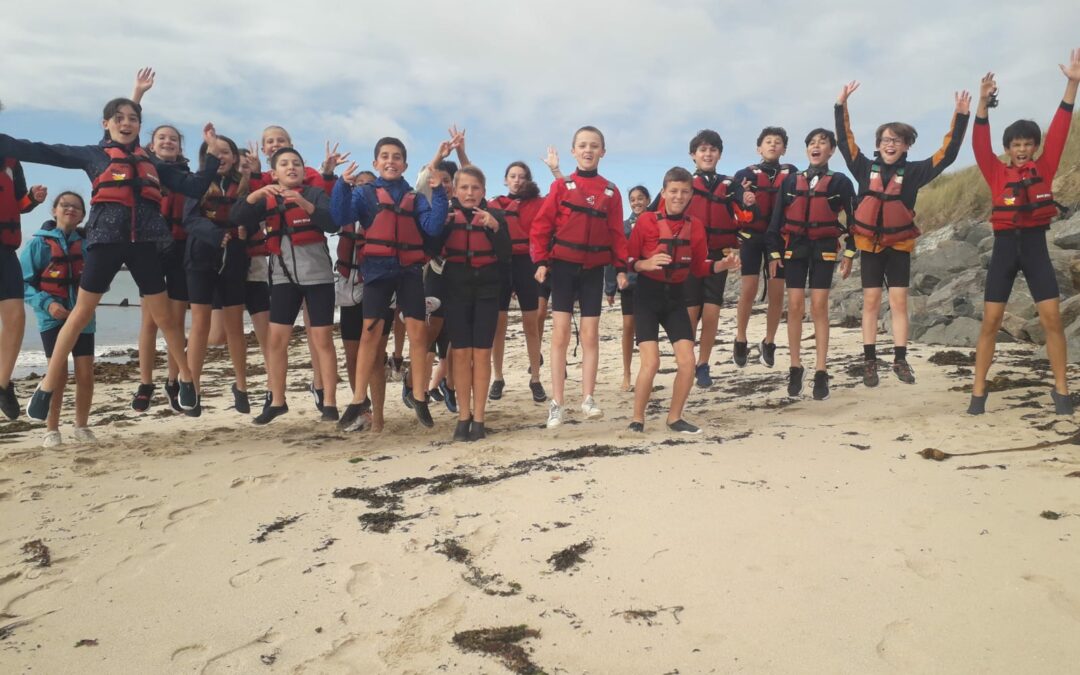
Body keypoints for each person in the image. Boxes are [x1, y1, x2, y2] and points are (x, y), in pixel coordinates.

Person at [0, 97, 224, 421]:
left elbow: (195, 185)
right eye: (119, 117)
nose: (127, 122)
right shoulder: (93, 155)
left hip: (144, 245)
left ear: (139, 126)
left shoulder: (153, 164)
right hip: (105, 243)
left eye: (133, 118)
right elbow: (42, 150)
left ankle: (186, 378)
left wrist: (213, 156)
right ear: (106, 124)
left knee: (166, 318)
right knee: (80, 313)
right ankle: (47, 385)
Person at [836, 81, 970, 387]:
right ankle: (869, 361)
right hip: (869, 245)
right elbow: (845, 141)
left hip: (899, 246)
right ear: (878, 144)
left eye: (897, 140)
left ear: (907, 145)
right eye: (885, 140)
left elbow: (946, 155)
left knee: (898, 303)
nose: (890, 144)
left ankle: (900, 359)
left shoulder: (914, 173)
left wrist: (960, 118)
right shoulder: (862, 167)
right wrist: (840, 106)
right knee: (870, 302)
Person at [968, 50, 1080, 415]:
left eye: (1028, 144)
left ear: (1035, 148)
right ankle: (978, 393)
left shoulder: (1044, 168)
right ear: (1008, 149)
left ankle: (1062, 392)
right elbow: (979, 144)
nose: (1022, 150)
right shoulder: (995, 171)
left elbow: (1061, 129)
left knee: (1051, 320)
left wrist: (1072, 83)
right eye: (1016, 145)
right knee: (991, 322)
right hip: (1003, 249)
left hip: (1034, 249)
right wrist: (982, 103)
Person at [332, 137, 450, 432]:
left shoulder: (414, 196)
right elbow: (340, 217)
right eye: (385, 156)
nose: (391, 161)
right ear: (376, 163)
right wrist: (341, 187)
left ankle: (419, 396)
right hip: (377, 273)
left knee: (418, 334)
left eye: (396, 157)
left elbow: (433, 226)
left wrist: (438, 194)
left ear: (405, 164)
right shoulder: (364, 194)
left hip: (409, 272)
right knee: (369, 335)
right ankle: (359, 399)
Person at [230, 147, 339, 425]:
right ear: (274, 172)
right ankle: (277, 401)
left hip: (318, 278)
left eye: (297, 164)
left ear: (304, 170)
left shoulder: (314, 194)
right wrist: (255, 193)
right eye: (284, 164)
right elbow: (239, 217)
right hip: (282, 279)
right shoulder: (267, 198)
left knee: (322, 340)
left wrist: (303, 203)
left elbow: (331, 222)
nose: (291, 168)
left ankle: (329, 402)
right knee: (276, 341)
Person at [627, 167, 740, 433]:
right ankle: (637, 419)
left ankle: (674, 418)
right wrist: (646, 263)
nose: (679, 196)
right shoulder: (646, 222)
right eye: (673, 191)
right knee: (651, 362)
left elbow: (700, 267)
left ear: (691, 195)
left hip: (676, 299)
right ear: (663, 192)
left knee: (688, 362)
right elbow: (628, 261)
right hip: (646, 298)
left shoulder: (695, 226)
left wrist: (723, 264)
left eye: (684, 192)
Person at [531, 126, 629, 428]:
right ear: (574, 151)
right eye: (583, 145)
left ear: (603, 151)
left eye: (594, 146)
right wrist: (541, 261)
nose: (588, 150)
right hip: (562, 268)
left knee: (590, 335)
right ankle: (557, 403)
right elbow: (541, 226)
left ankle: (588, 398)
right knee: (559, 334)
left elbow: (616, 233)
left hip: (593, 271)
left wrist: (622, 268)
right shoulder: (562, 187)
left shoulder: (611, 191)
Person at [766, 129, 856, 400]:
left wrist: (850, 251)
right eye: (812, 143)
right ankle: (795, 366)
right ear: (807, 150)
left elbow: (854, 219)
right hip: (795, 247)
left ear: (831, 151)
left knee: (818, 307)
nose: (816, 146)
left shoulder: (840, 182)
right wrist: (773, 253)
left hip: (824, 248)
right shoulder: (791, 182)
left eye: (823, 143)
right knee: (793, 306)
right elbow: (776, 219)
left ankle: (820, 370)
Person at [182, 135, 253, 416]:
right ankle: (193, 387)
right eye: (215, 152)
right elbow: (189, 219)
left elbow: (253, 218)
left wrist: (247, 231)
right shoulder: (196, 185)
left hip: (234, 260)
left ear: (235, 157)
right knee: (200, 324)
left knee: (235, 326)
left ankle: (242, 386)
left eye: (227, 152)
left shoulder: (244, 185)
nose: (221, 156)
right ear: (206, 157)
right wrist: (215, 235)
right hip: (200, 259)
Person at [19, 192, 96, 446]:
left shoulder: (88, 244)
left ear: (83, 215)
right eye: (65, 205)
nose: (70, 210)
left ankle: (81, 426)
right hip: (51, 318)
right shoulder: (38, 244)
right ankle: (51, 430)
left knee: (85, 374)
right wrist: (47, 304)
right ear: (54, 210)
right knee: (58, 373)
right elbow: (23, 284)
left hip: (82, 316)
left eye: (76, 207)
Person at [440, 166, 510, 440]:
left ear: (483, 191)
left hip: (487, 289)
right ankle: (463, 416)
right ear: (455, 191)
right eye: (464, 188)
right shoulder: (445, 217)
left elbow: (506, 254)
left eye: (475, 188)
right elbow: (431, 246)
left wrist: (494, 227)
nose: (470, 193)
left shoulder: (497, 216)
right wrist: (440, 223)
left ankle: (479, 419)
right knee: (460, 353)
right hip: (455, 286)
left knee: (481, 353)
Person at [679, 130, 742, 387]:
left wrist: (748, 201)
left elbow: (747, 213)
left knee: (712, 313)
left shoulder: (731, 185)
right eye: (702, 150)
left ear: (719, 154)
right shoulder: (682, 184)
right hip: (689, 257)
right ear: (693, 155)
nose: (708, 154)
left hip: (719, 255)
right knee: (691, 313)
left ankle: (703, 364)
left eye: (713, 150)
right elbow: (656, 215)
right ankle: (687, 361)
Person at [732, 128, 798, 369]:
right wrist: (744, 196)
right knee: (748, 289)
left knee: (777, 292)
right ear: (759, 148)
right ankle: (740, 337)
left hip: (778, 239)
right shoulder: (744, 174)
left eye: (778, 142)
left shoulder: (792, 174)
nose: (773, 145)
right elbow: (734, 199)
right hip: (751, 236)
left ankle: (769, 342)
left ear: (784, 149)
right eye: (768, 142)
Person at [0, 101, 45, 420]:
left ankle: (2, 383)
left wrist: (33, 198)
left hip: (5, 250)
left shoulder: (11, 155)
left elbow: (19, 202)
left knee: (16, 318)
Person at [489, 161, 546, 403]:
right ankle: (498, 377)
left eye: (522, 176)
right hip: (501, 263)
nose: (517, 180)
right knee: (499, 325)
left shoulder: (538, 204)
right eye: (512, 176)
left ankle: (535, 378)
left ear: (528, 180)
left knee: (530, 323)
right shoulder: (494, 204)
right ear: (505, 180)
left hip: (527, 264)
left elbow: (562, 197)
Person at [606, 185, 648, 391]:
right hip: (629, 285)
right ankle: (626, 374)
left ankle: (646, 373)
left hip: (652, 284)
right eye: (633, 199)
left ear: (648, 200)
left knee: (647, 331)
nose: (637, 202)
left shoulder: (657, 222)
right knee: (628, 327)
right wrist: (610, 288)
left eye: (641, 198)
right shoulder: (623, 227)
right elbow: (613, 258)